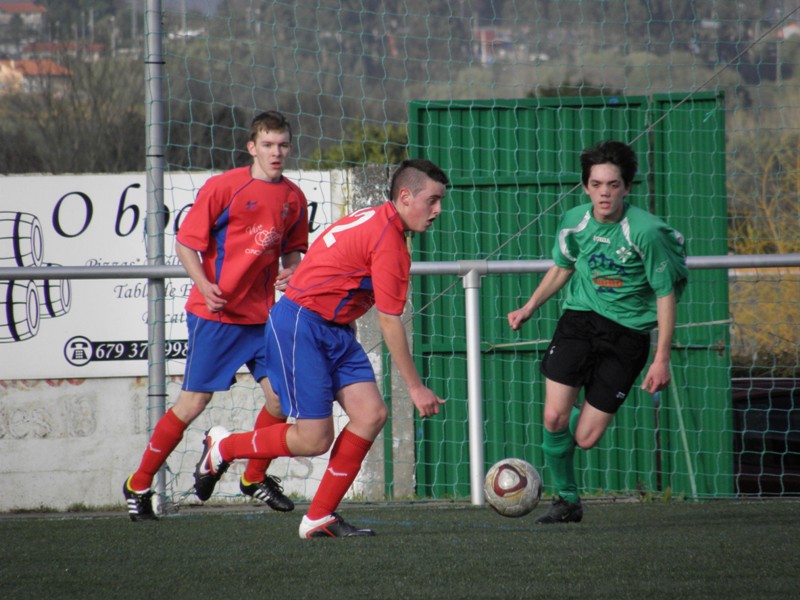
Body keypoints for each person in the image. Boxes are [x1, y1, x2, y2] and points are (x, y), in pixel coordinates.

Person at [193, 158, 449, 537]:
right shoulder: (389, 242)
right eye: (433, 200)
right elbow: (390, 321)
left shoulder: (375, 217)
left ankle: (319, 517)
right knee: (313, 439)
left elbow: (334, 249)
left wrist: (312, 273)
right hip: (303, 325)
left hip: (335, 329)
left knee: (371, 414)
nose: (438, 210)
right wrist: (415, 387)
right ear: (406, 196)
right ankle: (224, 448)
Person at [123, 110, 309, 521]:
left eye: (282, 145)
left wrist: (293, 269)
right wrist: (205, 286)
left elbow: (295, 251)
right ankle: (138, 485)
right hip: (217, 317)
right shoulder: (223, 187)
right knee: (192, 405)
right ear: (251, 147)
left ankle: (253, 477)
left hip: (264, 319)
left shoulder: (293, 197)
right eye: (267, 145)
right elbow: (187, 244)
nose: (275, 152)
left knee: (281, 400)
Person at [507, 140, 687, 524]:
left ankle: (560, 456)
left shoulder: (647, 232)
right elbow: (563, 266)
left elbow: (665, 293)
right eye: (597, 184)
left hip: (628, 336)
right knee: (554, 417)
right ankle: (567, 500)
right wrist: (529, 306)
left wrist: (662, 357)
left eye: (614, 184)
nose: (605, 192)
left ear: (627, 187)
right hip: (579, 320)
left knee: (585, 438)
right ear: (585, 187)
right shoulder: (575, 220)